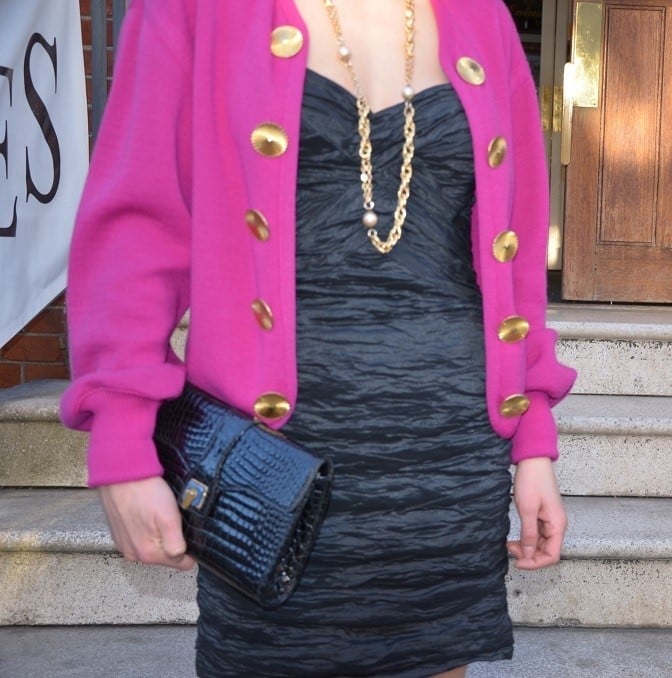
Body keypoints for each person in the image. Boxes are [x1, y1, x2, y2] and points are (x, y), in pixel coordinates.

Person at [61, 1, 577, 676]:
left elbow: (516, 254)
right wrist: (124, 441)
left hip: (447, 473)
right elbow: (136, 231)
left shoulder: (483, 18)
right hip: (272, 474)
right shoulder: (195, 11)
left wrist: (533, 442)